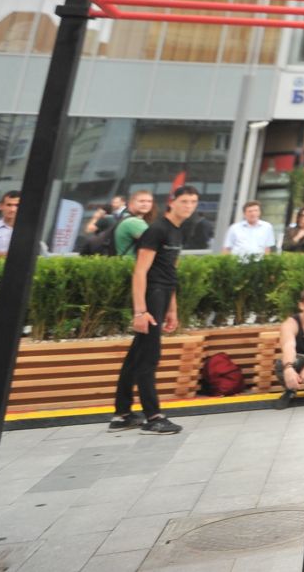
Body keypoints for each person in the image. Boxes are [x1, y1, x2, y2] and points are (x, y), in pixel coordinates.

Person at [111, 185, 198, 434]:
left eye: (193, 202)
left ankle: (122, 414)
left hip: (161, 297)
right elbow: (140, 272)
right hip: (149, 297)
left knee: (136, 355)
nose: (189, 206)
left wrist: (173, 309)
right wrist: (140, 311)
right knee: (149, 356)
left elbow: (171, 273)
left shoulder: (177, 231)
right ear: (172, 202)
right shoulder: (157, 230)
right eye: (184, 201)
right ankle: (153, 416)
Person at [112, 190, 155, 259]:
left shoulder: (127, 218)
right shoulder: (134, 222)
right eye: (141, 201)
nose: (145, 204)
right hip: (130, 265)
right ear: (131, 204)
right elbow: (154, 243)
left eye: (149, 201)